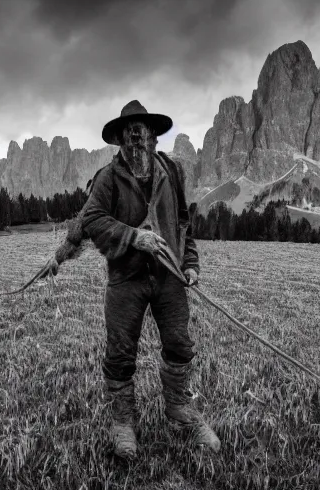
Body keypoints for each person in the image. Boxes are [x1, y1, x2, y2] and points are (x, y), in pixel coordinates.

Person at [81, 100, 220, 459]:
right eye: (130, 133)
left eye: (142, 132)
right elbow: (92, 219)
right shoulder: (107, 179)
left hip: (169, 275)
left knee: (180, 345)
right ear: (120, 141)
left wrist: (190, 263)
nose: (137, 138)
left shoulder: (171, 172)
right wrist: (133, 236)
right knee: (120, 352)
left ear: (155, 137)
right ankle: (124, 421)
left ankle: (179, 408)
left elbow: (184, 223)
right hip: (126, 278)